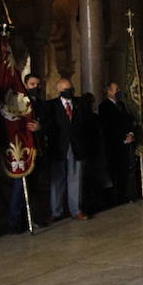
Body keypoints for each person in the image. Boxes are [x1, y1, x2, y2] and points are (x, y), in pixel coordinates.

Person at [41, 78, 88, 221]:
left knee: (75, 179)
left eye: (71, 88)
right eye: (67, 89)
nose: (70, 92)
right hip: (58, 147)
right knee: (57, 180)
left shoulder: (79, 104)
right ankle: (56, 211)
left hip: (76, 147)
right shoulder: (51, 106)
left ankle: (76, 210)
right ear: (59, 91)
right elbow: (47, 125)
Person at [7, 73, 45, 232]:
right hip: (21, 151)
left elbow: (46, 121)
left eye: (37, 84)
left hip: (37, 149)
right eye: (31, 84)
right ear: (25, 85)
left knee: (33, 187)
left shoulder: (41, 103)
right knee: (18, 188)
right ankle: (15, 222)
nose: (35, 87)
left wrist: (40, 127)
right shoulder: (18, 102)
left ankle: (31, 218)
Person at [98, 81, 135, 204]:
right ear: (109, 91)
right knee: (114, 171)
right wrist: (122, 138)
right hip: (114, 145)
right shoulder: (104, 106)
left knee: (123, 171)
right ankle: (113, 199)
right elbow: (108, 127)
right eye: (116, 89)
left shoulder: (121, 105)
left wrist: (130, 133)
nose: (118, 91)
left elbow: (127, 121)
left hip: (125, 143)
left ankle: (123, 195)